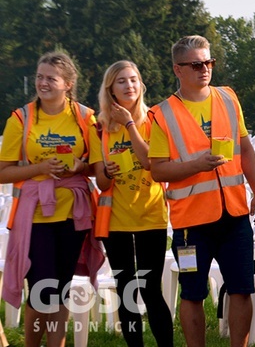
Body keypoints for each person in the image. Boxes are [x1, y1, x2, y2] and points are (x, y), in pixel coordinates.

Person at [148, 35, 255, 347]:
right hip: (191, 225)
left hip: (234, 216)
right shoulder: (162, 114)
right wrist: (197, 165)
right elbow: (157, 169)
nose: (205, 69)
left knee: (242, 288)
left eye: (209, 62)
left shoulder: (228, 98)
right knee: (193, 292)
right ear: (178, 69)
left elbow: (245, 148)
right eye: (196, 64)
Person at [0, 51, 103, 347]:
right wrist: (41, 168)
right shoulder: (21, 118)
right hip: (34, 216)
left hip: (73, 214)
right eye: (39, 77)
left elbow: (96, 168)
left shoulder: (85, 117)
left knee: (61, 287)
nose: (42, 83)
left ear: (68, 83)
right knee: (40, 288)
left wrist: (79, 167)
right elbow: (2, 172)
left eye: (50, 78)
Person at [89, 60, 173, 346]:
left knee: (151, 288)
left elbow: (150, 161)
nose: (129, 86)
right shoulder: (98, 128)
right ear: (110, 89)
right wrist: (106, 173)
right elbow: (100, 182)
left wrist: (129, 124)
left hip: (151, 215)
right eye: (122, 81)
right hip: (116, 220)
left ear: (141, 84)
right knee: (126, 289)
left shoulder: (154, 119)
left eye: (134, 80)